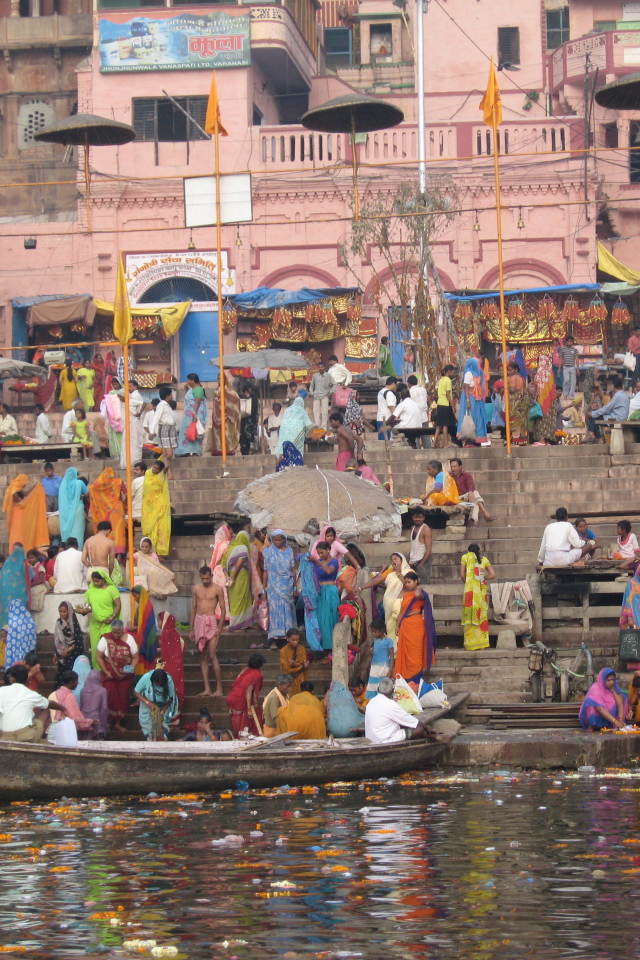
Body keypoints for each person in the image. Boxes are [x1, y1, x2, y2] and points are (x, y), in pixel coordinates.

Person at [0, 663, 67, 742]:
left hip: (6, 736)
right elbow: (51, 704)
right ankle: (38, 740)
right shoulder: (30, 694)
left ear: (12, 678)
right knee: (46, 708)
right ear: (26, 679)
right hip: (25, 736)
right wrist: (63, 709)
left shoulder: (1, 690)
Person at [96, 619, 140, 732]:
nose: (115, 635)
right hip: (109, 675)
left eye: (118, 633)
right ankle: (108, 722)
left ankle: (117, 723)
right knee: (109, 698)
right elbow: (99, 656)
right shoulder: (106, 639)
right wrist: (105, 671)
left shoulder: (129, 639)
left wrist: (131, 668)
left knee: (122, 699)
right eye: (114, 632)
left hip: (124, 677)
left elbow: (135, 657)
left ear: (122, 631)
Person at [189, 564, 225, 699]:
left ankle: (219, 688)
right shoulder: (195, 589)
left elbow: (223, 610)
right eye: (203, 578)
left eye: (207, 578)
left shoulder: (217, 589)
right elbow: (193, 608)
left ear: (211, 576)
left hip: (211, 621)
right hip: (199, 621)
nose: (205, 581)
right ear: (200, 577)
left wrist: (220, 629)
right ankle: (207, 689)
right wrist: (190, 628)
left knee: (212, 654)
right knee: (203, 656)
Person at [359, 552, 411, 644]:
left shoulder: (409, 572)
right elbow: (376, 580)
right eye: (392, 560)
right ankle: (394, 655)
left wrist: (399, 573)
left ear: (402, 560)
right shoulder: (390, 572)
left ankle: (401, 655)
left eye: (396, 559)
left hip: (403, 605)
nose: (393, 561)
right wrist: (360, 588)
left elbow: (408, 585)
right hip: (389, 606)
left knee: (402, 630)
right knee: (390, 631)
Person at [364, 676, 433, 744]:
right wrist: (427, 728)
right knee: (419, 729)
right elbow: (413, 721)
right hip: (385, 740)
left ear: (378, 689)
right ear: (393, 690)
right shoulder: (391, 704)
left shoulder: (371, 701)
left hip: (371, 739)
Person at [396, 571, 436, 682]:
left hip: (416, 625)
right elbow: (402, 611)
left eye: (409, 582)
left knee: (415, 654)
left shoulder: (421, 594)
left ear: (416, 581)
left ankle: (416, 681)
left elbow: (418, 595)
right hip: (405, 625)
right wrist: (398, 626)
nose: (407, 584)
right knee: (405, 654)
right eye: (406, 582)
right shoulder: (406, 594)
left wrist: (419, 587)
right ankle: (406, 682)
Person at [75, 568, 121, 666]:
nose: (96, 583)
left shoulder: (112, 589)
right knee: (96, 649)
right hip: (95, 624)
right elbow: (89, 608)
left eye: (98, 581)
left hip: (108, 624)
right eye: (94, 581)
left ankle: (110, 670)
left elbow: (118, 605)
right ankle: (97, 672)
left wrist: (112, 617)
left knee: (108, 649)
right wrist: (82, 611)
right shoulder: (91, 591)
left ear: (104, 579)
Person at [460, 543, 496, 651]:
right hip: (481, 592)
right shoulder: (484, 559)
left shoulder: (465, 557)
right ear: (479, 550)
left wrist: (468, 582)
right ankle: (482, 645)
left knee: (470, 615)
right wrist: (483, 578)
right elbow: (493, 574)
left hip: (470, 591)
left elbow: (462, 574)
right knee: (482, 616)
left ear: (469, 550)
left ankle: (470, 645)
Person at [263, 529, 296, 646]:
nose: (277, 542)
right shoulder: (267, 552)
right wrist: (263, 588)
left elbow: (293, 569)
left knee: (286, 609)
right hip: (272, 586)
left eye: (280, 539)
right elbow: (265, 571)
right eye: (275, 540)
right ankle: (275, 639)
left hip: (287, 584)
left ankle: (289, 638)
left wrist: (295, 587)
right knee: (275, 611)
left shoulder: (289, 551)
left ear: (284, 539)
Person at [3, 474, 49, 554]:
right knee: (17, 533)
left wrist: (35, 486)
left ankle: (24, 548)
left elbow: (26, 494)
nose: (25, 484)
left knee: (22, 532)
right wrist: (31, 501)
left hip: (21, 514)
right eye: (25, 482)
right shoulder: (14, 491)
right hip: (17, 514)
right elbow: (21, 503)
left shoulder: (18, 488)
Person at [222, 527, 254, 631]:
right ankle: (239, 624)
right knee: (242, 599)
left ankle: (237, 622)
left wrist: (228, 578)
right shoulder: (243, 547)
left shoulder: (231, 548)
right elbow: (240, 563)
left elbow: (224, 565)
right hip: (240, 577)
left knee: (234, 600)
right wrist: (234, 578)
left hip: (230, 576)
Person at [89, 467, 126, 554]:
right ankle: (119, 555)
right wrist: (125, 504)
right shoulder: (119, 481)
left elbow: (91, 488)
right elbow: (127, 492)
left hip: (105, 510)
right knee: (118, 531)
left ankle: (108, 552)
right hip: (118, 508)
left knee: (108, 530)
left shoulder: (100, 484)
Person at [49, 670, 97, 737]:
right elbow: (74, 718)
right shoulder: (69, 696)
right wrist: (90, 722)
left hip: (51, 729)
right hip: (63, 731)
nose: (77, 683)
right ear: (72, 682)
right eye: (76, 681)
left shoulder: (53, 694)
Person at [227, 652, 265, 736]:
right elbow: (249, 690)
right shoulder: (257, 674)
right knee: (245, 722)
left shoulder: (244, 670)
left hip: (233, 697)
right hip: (242, 700)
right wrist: (249, 709)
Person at [311, 541, 340, 652]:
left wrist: (317, 562)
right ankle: (323, 646)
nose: (320, 555)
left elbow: (328, 571)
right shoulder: (318, 561)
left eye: (322, 552)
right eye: (318, 553)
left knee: (330, 618)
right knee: (321, 618)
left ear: (328, 549)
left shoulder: (334, 562)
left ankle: (332, 647)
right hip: (320, 592)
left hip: (331, 591)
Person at [135, 668, 178, 741]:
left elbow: (171, 698)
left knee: (162, 731)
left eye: (161, 684)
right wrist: (148, 703)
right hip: (147, 707)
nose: (159, 685)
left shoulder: (169, 680)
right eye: (157, 683)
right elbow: (136, 692)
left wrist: (162, 711)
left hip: (164, 706)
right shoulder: (146, 678)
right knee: (150, 733)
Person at [449, 457, 495, 524]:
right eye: (452, 467)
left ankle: (474, 521)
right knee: (475, 494)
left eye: (455, 466)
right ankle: (486, 514)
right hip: (455, 500)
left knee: (475, 501)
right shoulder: (449, 476)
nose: (453, 468)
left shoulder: (466, 475)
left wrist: (470, 491)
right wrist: (471, 492)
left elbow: (471, 485)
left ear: (460, 466)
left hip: (466, 499)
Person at [141, 459, 171, 557]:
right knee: (150, 530)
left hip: (160, 507)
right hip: (149, 508)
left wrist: (166, 456)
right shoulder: (148, 474)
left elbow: (166, 467)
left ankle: (160, 554)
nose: (154, 470)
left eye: (157, 469)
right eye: (154, 467)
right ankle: (151, 553)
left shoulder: (161, 476)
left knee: (161, 530)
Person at [53, 601, 86, 688]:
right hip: (62, 654)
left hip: (74, 653)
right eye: (60, 611)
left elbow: (78, 641)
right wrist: (57, 653)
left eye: (64, 611)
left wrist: (67, 650)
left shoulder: (73, 623)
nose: (62, 614)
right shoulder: (59, 622)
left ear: (69, 611)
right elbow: (57, 639)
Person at [158, 611, 185, 717]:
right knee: (177, 690)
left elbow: (165, 652)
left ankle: (169, 718)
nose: (159, 623)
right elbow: (184, 646)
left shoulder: (164, 634)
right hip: (177, 666)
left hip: (169, 667)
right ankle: (176, 718)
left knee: (169, 691)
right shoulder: (176, 633)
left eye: (159, 621)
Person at [457, 358, 489, 446]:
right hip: (470, 398)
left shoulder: (478, 374)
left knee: (477, 418)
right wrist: (468, 401)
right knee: (470, 417)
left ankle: (477, 439)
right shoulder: (468, 373)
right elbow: (466, 387)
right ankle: (468, 440)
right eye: (477, 364)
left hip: (477, 399)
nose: (478, 366)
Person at [176, 372, 207, 457]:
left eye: (188, 380)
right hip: (187, 416)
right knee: (187, 432)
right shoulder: (192, 389)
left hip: (194, 414)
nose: (187, 381)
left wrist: (194, 413)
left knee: (195, 432)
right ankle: (185, 450)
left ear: (192, 380)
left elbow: (197, 402)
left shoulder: (198, 389)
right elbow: (189, 398)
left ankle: (196, 451)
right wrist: (186, 390)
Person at [148, 386, 177, 477]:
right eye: (171, 395)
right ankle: (161, 463)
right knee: (169, 453)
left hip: (171, 429)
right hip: (165, 430)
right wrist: (152, 431)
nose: (172, 397)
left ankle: (169, 474)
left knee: (169, 453)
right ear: (167, 396)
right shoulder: (161, 405)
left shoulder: (167, 405)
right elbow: (156, 418)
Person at [365, 618, 395, 700]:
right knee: (373, 684)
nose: (373, 634)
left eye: (375, 631)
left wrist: (391, 669)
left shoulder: (388, 641)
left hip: (383, 666)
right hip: (375, 666)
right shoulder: (375, 640)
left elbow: (391, 656)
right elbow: (376, 652)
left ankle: (383, 700)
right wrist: (371, 652)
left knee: (382, 684)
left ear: (381, 630)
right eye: (372, 632)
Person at [118, 379, 145, 469]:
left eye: (130, 386)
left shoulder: (134, 397)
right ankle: (127, 463)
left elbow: (142, 405)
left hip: (134, 423)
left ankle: (134, 462)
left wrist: (139, 413)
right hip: (128, 425)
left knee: (134, 443)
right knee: (128, 443)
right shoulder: (124, 402)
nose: (129, 388)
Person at [59, 468, 88, 545]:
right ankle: (78, 549)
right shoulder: (79, 483)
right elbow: (88, 494)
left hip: (66, 512)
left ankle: (68, 548)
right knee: (78, 531)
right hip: (78, 508)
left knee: (69, 529)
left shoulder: (62, 486)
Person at [78, 669, 109, 739]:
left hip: (84, 718)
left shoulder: (83, 690)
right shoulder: (102, 690)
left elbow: (81, 705)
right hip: (96, 718)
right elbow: (104, 708)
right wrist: (104, 721)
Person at [262, 673, 293, 738]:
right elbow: (275, 719)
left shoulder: (285, 695)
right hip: (273, 732)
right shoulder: (274, 697)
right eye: (287, 686)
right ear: (280, 685)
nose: (289, 689)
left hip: (281, 730)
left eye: (290, 686)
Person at [279, 627, 307, 697]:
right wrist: (300, 666)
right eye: (293, 640)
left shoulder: (302, 649)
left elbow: (303, 662)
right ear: (288, 638)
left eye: (297, 640)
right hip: (288, 680)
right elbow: (286, 668)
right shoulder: (283, 651)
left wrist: (296, 664)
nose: (295, 642)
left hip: (300, 678)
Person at [101, 376, 124, 458]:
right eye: (113, 384)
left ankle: (123, 455)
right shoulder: (110, 393)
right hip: (112, 419)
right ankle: (116, 455)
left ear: (120, 384)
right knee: (114, 438)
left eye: (116, 383)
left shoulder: (124, 393)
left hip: (122, 418)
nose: (114, 385)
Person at [433, 364, 456, 448]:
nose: (453, 373)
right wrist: (452, 405)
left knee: (439, 425)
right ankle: (446, 443)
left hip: (439, 404)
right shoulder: (448, 380)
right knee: (445, 425)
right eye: (453, 371)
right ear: (449, 372)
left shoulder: (441, 380)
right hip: (446, 404)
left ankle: (434, 442)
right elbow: (448, 394)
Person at [408, 507, 432, 584]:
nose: (418, 519)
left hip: (422, 563)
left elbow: (428, 549)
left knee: (423, 587)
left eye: (420, 517)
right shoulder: (412, 528)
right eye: (416, 517)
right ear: (412, 517)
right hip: (413, 562)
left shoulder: (426, 529)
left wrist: (421, 564)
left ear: (423, 518)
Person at [506, 362, 529, 443]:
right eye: (508, 370)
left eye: (510, 370)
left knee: (515, 420)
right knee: (521, 421)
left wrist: (505, 388)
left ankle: (516, 440)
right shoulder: (521, 378)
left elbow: (512, 389)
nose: (509, 372)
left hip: (515, 404)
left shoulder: (513, 378)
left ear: (516, 370)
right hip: (523, 404)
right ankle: (522, 440)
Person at [309, 361, 333, 430]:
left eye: (322, 367)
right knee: (315, 411)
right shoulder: (315, 376)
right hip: (316, 396)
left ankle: (324, 428)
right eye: (319, 367)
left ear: (324, 367)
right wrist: (312, 393)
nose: (320, 368)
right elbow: (311, 386)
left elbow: (334, 384)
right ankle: (317, 426)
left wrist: (331, 392)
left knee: (324, 412)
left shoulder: (328, 376)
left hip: (324, 396)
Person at [376, 376, 398, 441]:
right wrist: (396, 420)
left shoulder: (380, 392)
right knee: (387, 441)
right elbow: (392, 407)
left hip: (380, 418)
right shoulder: (389, 393)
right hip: (387, 420)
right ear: (393, 384)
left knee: (381, 441)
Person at [239, 385, 257, 456]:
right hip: (243, 421)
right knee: (243, 438)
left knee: (249, 439)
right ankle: (244, 452)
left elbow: (255, 409)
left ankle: (247, 452)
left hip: (251, 422)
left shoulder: (253, 397)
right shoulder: (241, 397)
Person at [560, 335, 579, 399]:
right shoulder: (563, 350)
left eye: (571, 341)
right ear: (566, 342)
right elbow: (561, 359)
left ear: (572, 342)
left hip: (573, 367)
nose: (570, 343)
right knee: (566, 380)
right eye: (568, 341)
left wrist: (578, 369)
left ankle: (571, 395)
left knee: (573, 382)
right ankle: (565, 394)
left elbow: (576, 359)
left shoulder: (575, 350)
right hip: (565, 367)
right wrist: (559, 368)